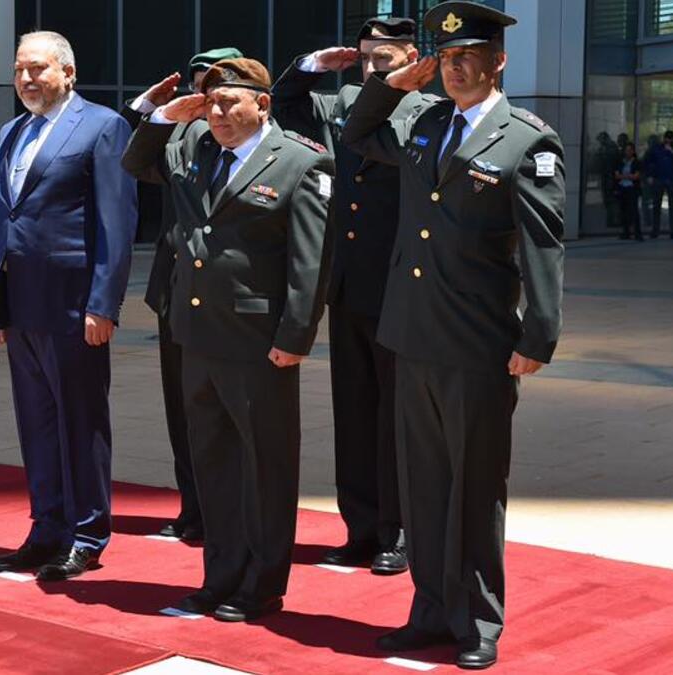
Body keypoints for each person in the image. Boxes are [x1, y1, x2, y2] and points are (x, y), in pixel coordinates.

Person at [341, 2, 565, 668]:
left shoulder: (526, 140)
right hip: (412, 333)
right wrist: (393, 84)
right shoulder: (424, 123)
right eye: (445, 58)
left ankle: (478, 621)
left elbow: (543, 247)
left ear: (499, 62)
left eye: (468, 56)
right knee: (424, 485)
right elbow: (357, 133)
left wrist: (538, 335)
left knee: (474, 487)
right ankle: (431, 609)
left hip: (476, 342)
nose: (455, 68)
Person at [123, 58, 332, 623]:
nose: (215, 113)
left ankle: (260, 585)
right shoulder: (196, 149)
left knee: (264, 465)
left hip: (257, 340)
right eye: (210, 102)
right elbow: (135, 162)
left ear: (261, 104)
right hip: (198, 334)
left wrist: (296, 334)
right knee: (213, 464)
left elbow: (310, 261)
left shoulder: (300, 161)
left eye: (227, 102)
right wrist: (165, 116)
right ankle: (218, 578)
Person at [276, 16, 434, 576]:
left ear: (411, 58)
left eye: (383, 59)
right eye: (365, 58)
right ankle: (361, 529)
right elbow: (284, 105)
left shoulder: (430, 114)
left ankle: (399, 531)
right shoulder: (340, 104)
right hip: (346, 288)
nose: (371, 68)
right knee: (354, 414)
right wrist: (313, 65)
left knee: (397, 419)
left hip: (399, 289)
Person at [0, 31, 137, 581]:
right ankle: (46, 528)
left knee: (80, 423)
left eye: (38, 68)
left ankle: (87, 534)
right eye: (19, 69)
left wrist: (104, 304)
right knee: (37, 423)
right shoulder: (11, 131)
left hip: (74, 307)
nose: (26, 78)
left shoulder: (103, 126)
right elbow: (1, 220)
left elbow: (116, 222)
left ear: (68, 72)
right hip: (22, 305)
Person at [118, 46, 243, 543]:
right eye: (200, 85)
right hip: (177, 293)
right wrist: (151, 109)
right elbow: (131, 155)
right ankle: (195, 508)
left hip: (233, 302)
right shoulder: (183, 139)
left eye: (218, 86)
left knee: (230, 415)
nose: (207, 96)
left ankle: (233, 512)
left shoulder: (254, 142)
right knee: (184, 409)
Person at [644, 130, 673, 239]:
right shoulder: (657, 148)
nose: (668, 141)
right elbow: (649, 162)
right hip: (659, 179)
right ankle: (655, 230)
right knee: (656, 206)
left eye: (670, 139)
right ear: (664, 138)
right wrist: (650, 175)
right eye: (667, 138)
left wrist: (672, 151)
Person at [615, 142, 643, 241]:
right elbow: (617, 176)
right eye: (626, 150)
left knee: (634, 211)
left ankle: (637, 233)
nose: (628, 152)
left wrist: (624, 176)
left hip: (632, 189)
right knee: (624, 211)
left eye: (630, 150)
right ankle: (626, 232)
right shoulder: (620, 162)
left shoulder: (636, 162)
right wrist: (629, 176)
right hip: (623, 188)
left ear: (633, 151)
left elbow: (636, 176)